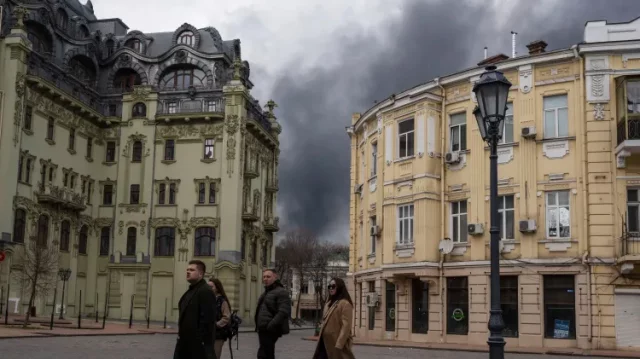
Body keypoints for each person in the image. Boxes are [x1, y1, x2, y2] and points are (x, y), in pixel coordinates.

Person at [174, 260, 217, 359]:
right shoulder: (192, 290)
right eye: (187, 269)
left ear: (200, 274)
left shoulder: (205, 291)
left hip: (197, 348)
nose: (188, 272)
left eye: (192, 270)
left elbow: (208, 321)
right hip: (185, 345)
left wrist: (201, 342)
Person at [312, 278, 355, 359]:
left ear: (339, 287)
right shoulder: (328, 303)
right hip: (323, 341)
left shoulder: (345, 304)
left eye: (333, 286)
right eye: (329, 286)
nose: (331, 289)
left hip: (335, 343)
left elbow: (346, 326)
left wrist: (339, 344)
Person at [255, 268, 291, 359]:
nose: (265, 279)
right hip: (262, 329)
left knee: (263, 355)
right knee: (266, 354)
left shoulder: (281, 292)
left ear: (275, 277)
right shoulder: (266, 292)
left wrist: (271, 325)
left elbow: (283, 311)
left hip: (270, 329)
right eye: (264, 277)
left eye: (268, 276)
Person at [208, 277, 231, 359]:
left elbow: (226, 317)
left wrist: (216, 325)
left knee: (215, 356)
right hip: (207, 334)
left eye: (211, 287)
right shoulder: (208, 299)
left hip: (218, 335)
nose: (209, 289)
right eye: (208, 287)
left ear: (217, 288)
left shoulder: (222, 301)